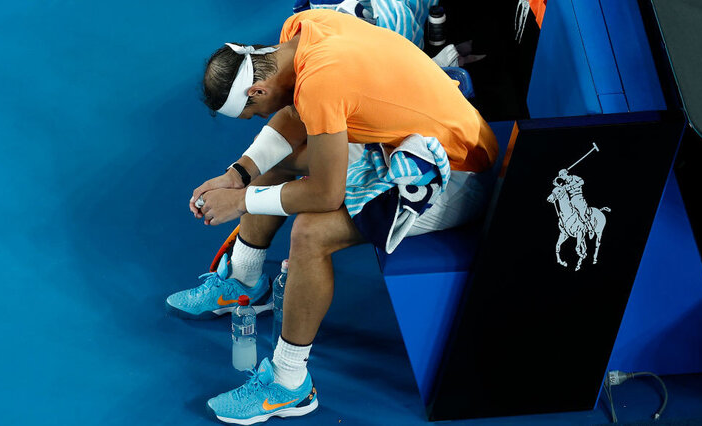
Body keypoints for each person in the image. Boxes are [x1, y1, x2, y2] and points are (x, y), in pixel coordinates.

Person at [165, 9, 498, 424]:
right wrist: (238, 176)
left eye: (254, 113)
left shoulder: (321, 83)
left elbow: (324, 194)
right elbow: (292, 116)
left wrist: (242, 202)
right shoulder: (300, 31)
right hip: (404, 136)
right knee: (278, 161)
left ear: (257, 90)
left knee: (311, 233)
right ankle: (244, 282)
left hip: (457, 171)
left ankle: (289, 385)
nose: (260, 118)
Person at [554, 168, 593, 236]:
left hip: (579, 198)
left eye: (562, 175)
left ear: (565, 173)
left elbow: (582, 182)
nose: (561, 177)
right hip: (571, 200)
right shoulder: (564, 183)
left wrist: (572, 187)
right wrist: (555, 182)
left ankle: (590, 228)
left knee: (581, 212)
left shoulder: (574, 177)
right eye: (560, 176)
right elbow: (560, 188)